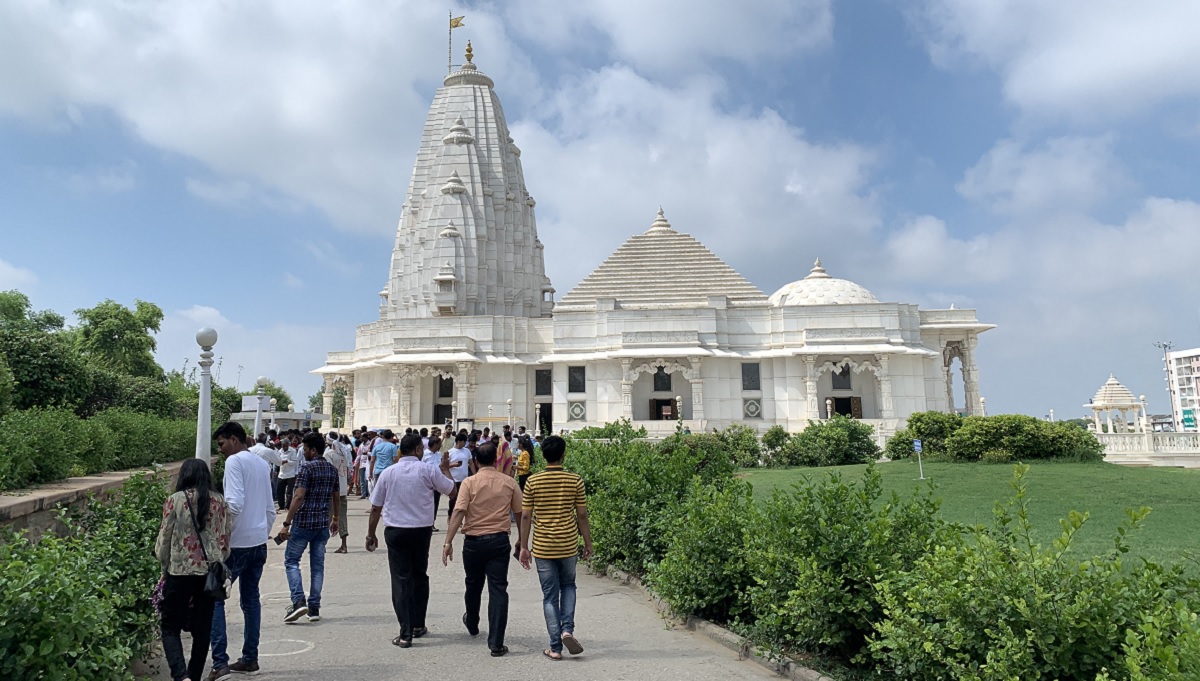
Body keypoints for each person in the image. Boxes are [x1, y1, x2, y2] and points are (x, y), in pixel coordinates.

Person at [365, 433, 455, 648]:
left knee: (400, 579)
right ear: (417, 450)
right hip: (421, 531)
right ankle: (417, 624)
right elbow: (452, 491)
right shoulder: (428, 469)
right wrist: (445, 469)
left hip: (396, 530)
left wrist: (371, 533)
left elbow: (376, 507)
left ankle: (405, 632)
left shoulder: (388, 473)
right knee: (419, 575)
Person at [441, 442, 522, 656]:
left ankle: (473, 620)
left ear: (475, 460)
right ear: (496, 460)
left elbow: (458, 511)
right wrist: (522, 540)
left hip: (473, 542)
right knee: (498, 589)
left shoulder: (469, 482)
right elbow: (521, 513)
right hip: (498, 541)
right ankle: (496, 642)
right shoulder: (509, 482)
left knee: (473, 584)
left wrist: (448, 541)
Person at [209, 422, 276, 680]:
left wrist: (222, 537)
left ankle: (220, 662)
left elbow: (234, 504)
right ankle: (250, 658)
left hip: (237, 544)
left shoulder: (234, 462)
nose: (221, 450)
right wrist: (261, 532)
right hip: (258, 541)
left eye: (222, 444)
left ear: (235, 440)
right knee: (250, 600)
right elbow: (270, 508)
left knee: (214, 598)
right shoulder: (260, 462)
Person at [517, 435, 593, 661]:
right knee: (569, 585)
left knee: (550, 596)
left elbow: (526, 516)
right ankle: (567, 628)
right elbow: (581, 514)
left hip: (542, 546)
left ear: (543, 455)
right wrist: (588, 542)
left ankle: (555, 647)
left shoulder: (533, 481)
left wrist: (523, 546)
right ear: (564, 454)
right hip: (568, 544)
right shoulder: (575, 480)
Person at [155, 459, 231, 681]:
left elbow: (164, 541)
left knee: (170, 627)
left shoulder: (175, 501)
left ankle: (180, 675)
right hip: (209, 576)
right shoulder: (219, 501)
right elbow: (226, 541)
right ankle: (194, 676)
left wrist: (164, 567)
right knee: (202, 630)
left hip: (180, 572)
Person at [277, 432, 340, 623]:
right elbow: (336, 496)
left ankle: (298, 601)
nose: (303, 452)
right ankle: (314, 607)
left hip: (303, 523)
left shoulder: (307, 469)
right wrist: (335, 518)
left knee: (291, 561)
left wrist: (286, 523)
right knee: (317, 566)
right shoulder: (331, 469)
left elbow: (298, 496)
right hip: (322, 524)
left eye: (305, 449)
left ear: (313, 450)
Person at [325, 432, 352, 554]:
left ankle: (322, 544)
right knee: (342, 517)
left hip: (331, 490)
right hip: (342, 490)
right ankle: (344, 545)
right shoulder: (344, 454)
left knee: (327, 517)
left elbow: (329, 471)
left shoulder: (328, 454)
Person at [446, 433, 472, 519]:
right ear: (459, 441)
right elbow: (445, 466)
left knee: (464, 500)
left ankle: (460, 518)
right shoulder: (450, 452)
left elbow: (470, 463)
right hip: (454, 479)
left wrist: (475, 474)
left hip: (464, 479)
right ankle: (451, 515)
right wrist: (454, 465)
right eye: (464, 442)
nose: (465, 444)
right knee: (453, 499)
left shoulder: (467, 451)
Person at [422, 435, 445, 528]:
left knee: (435, 503)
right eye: (439, 444)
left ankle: (432, 523)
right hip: (426, 483)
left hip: (436, 482)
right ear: (434, 444)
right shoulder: (424, 454)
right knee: (426, 503)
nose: (440, 446)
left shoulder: (439, 454)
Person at [276, 435, 299, 511]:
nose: (284, 447)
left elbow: (295, 462)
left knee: (289, 492)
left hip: (290, 474)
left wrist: (287, 461)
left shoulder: (293, 451)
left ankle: (287, 506)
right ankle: (281, 505)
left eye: (285, 446)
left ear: (288, 445)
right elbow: (277, 461)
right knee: (279, 490)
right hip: (282, 473)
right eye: (282, 446)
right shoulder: (280, 451)